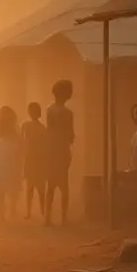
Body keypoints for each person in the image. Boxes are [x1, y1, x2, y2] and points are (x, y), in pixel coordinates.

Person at [43, 80, 75, 226]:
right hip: (60, 150)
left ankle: (50, 217)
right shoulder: (68, 113)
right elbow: (70, 135)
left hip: (53, 150)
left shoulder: (50, 110)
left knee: (53, 185)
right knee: (62, 185)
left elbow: (50, 131)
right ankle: (62, 217)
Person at [0, 106, 23, 221]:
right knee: (6, 188)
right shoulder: (12, 135)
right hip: (7, 161)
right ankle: (3, 212)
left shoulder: (0, 138)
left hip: (1, 160)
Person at [21, 102, 47, 220]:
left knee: (36, 187)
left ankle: (39, 210)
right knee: (33, 187)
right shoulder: (40, 127)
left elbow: (21, 141)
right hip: (34, 158)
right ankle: (33, 211)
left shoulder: (29, 126)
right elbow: (21, 141)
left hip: (36, 159)